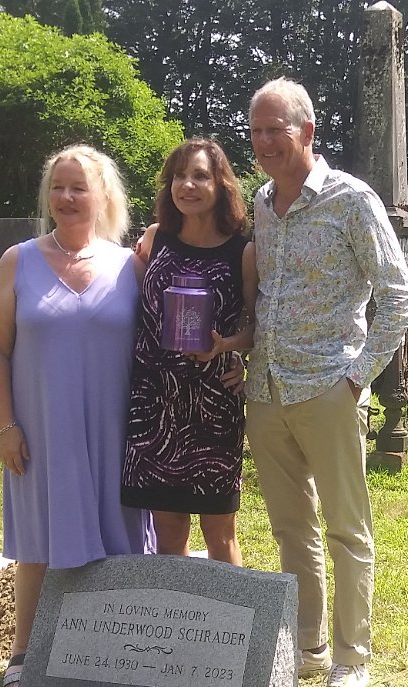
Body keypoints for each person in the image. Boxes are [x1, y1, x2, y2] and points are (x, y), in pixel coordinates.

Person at [243, 78, 408, 687]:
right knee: (291, 529)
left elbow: (397, 294)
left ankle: (351, 660)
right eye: (256, 132)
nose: (265, 143)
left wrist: (357, 377)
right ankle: (307, 646)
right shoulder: (263, 202)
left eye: (276, 131)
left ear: (307, 132)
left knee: (346, 528)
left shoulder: (351, 200)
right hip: (267, 389)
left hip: (328, 387)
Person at [0, 144, 155, 687]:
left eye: (79, 187)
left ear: (103, 195)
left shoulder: (130, 265)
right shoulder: (18, 261)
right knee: (38, 540)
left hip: (115, 431)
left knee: (121, 534)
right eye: (57, 187)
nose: (66, 197)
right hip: (42, 431)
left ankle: (123, 645)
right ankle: (24, 649)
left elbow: (164, 339)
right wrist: (6, 426)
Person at [121, 138, 257, 565]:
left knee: (220, 532)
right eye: (179, 176)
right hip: (154, 400)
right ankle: (175, 610)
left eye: (200, 176)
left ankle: (229, 611)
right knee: (169, 530)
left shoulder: (243, 250)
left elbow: (258, 325)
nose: (187, 185)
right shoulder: (155, 238)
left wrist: (229, 347)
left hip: (213, 402)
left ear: (221, 185)